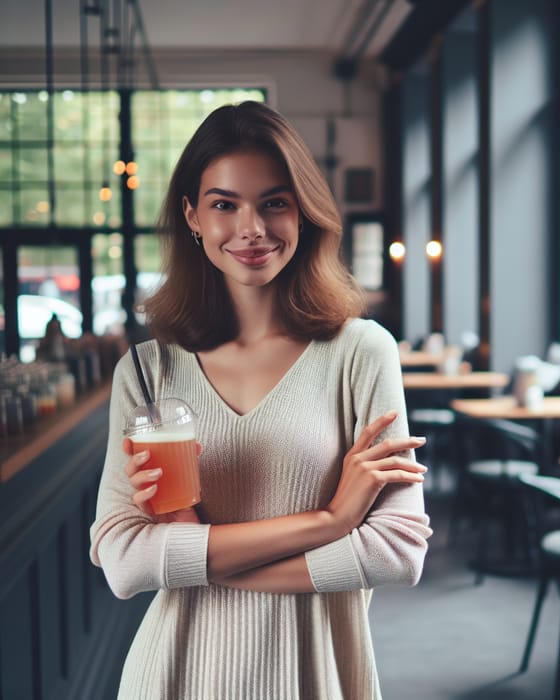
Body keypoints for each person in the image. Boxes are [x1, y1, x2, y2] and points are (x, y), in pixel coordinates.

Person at [89, 100, 432, 700]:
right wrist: (331, 522)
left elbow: (397, 551)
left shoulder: (360, 352)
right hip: (175, 674)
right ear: (193, 216)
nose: (252, 228)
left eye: (274, 202)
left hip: (319, 673)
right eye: (225, 204)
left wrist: (195, 553)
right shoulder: (145, 372)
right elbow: (123, 560)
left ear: (304, 213)